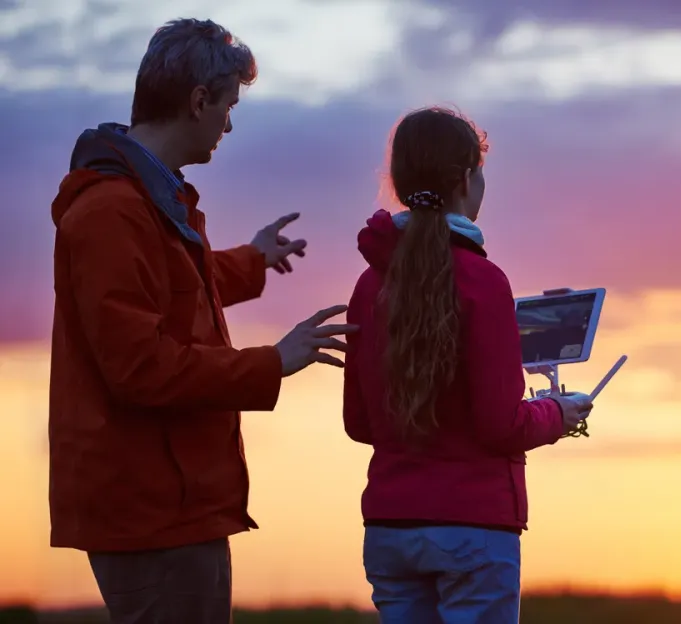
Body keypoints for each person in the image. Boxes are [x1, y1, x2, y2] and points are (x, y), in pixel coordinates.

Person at [47, 18, 356, 624]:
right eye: (228, 106)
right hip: (153, 512)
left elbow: (169, 285)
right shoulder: (112, 211)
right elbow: (139, 367)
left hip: (176, 503)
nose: (229, 124)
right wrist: (273, 361)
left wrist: (252, 261)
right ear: (198, 101)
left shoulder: (148, 199)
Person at [342, 106, 594, 623]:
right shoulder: (483, 281)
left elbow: (359, 423)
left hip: (390, 525)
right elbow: (501, 425)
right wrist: (556, 413)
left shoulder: (369, 285)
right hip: (474, 527)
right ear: (466, 178)